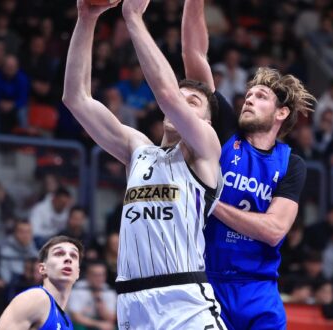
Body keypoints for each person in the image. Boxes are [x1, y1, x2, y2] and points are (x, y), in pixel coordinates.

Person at [62, 0, 224, 328]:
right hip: (132, 303)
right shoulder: (138, 150)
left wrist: (133, 16)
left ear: (206, 122)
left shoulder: (205, 149)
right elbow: (76, 98)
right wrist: (87, 18)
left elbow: (166, 92)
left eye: (192, 102)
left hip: (184, 300)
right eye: (181, 99)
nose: (180, 104)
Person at [181, 1, 315, 328]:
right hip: (206, 279)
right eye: (249, 94)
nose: (249, 99)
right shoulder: (226, 131)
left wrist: (213, 204)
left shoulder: (291, 164)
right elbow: (194, 55)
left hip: (258, 288)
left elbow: (274, 231)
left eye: (261, 96)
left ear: (281, 113)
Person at [0, 236, 83, 330]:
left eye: (73, 255)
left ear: (77, 273)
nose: (68, 259)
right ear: (42, 269)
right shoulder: (36, 297)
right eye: (59, 253)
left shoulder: (67, 321)